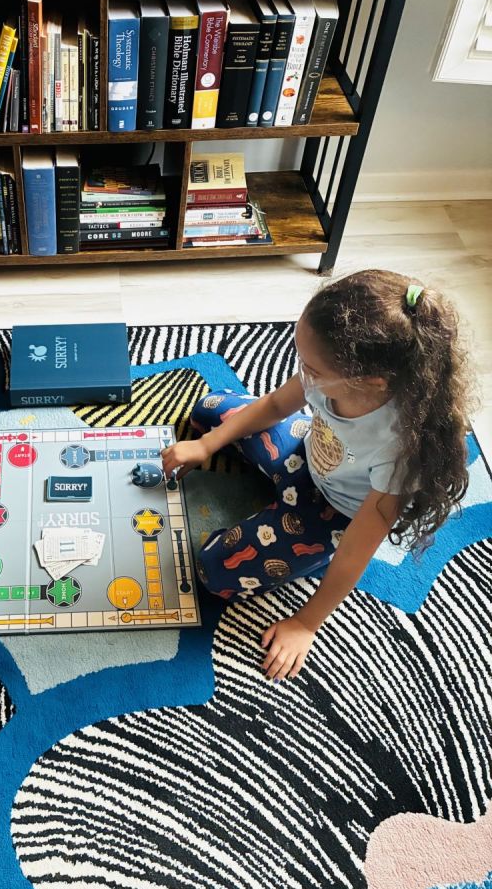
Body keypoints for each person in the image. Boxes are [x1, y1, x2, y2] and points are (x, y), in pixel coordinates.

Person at [161, 270, 474, 683]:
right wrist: (207, 445)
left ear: (370, 382)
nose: (303, 374)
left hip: (334, 514)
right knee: (208, 410)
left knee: (212, 572)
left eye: (311, 367)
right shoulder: (330, 372)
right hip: (301, 456)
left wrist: (306, 623)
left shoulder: (401, 448)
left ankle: (310, 554)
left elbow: (357, 551)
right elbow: (275, 404)